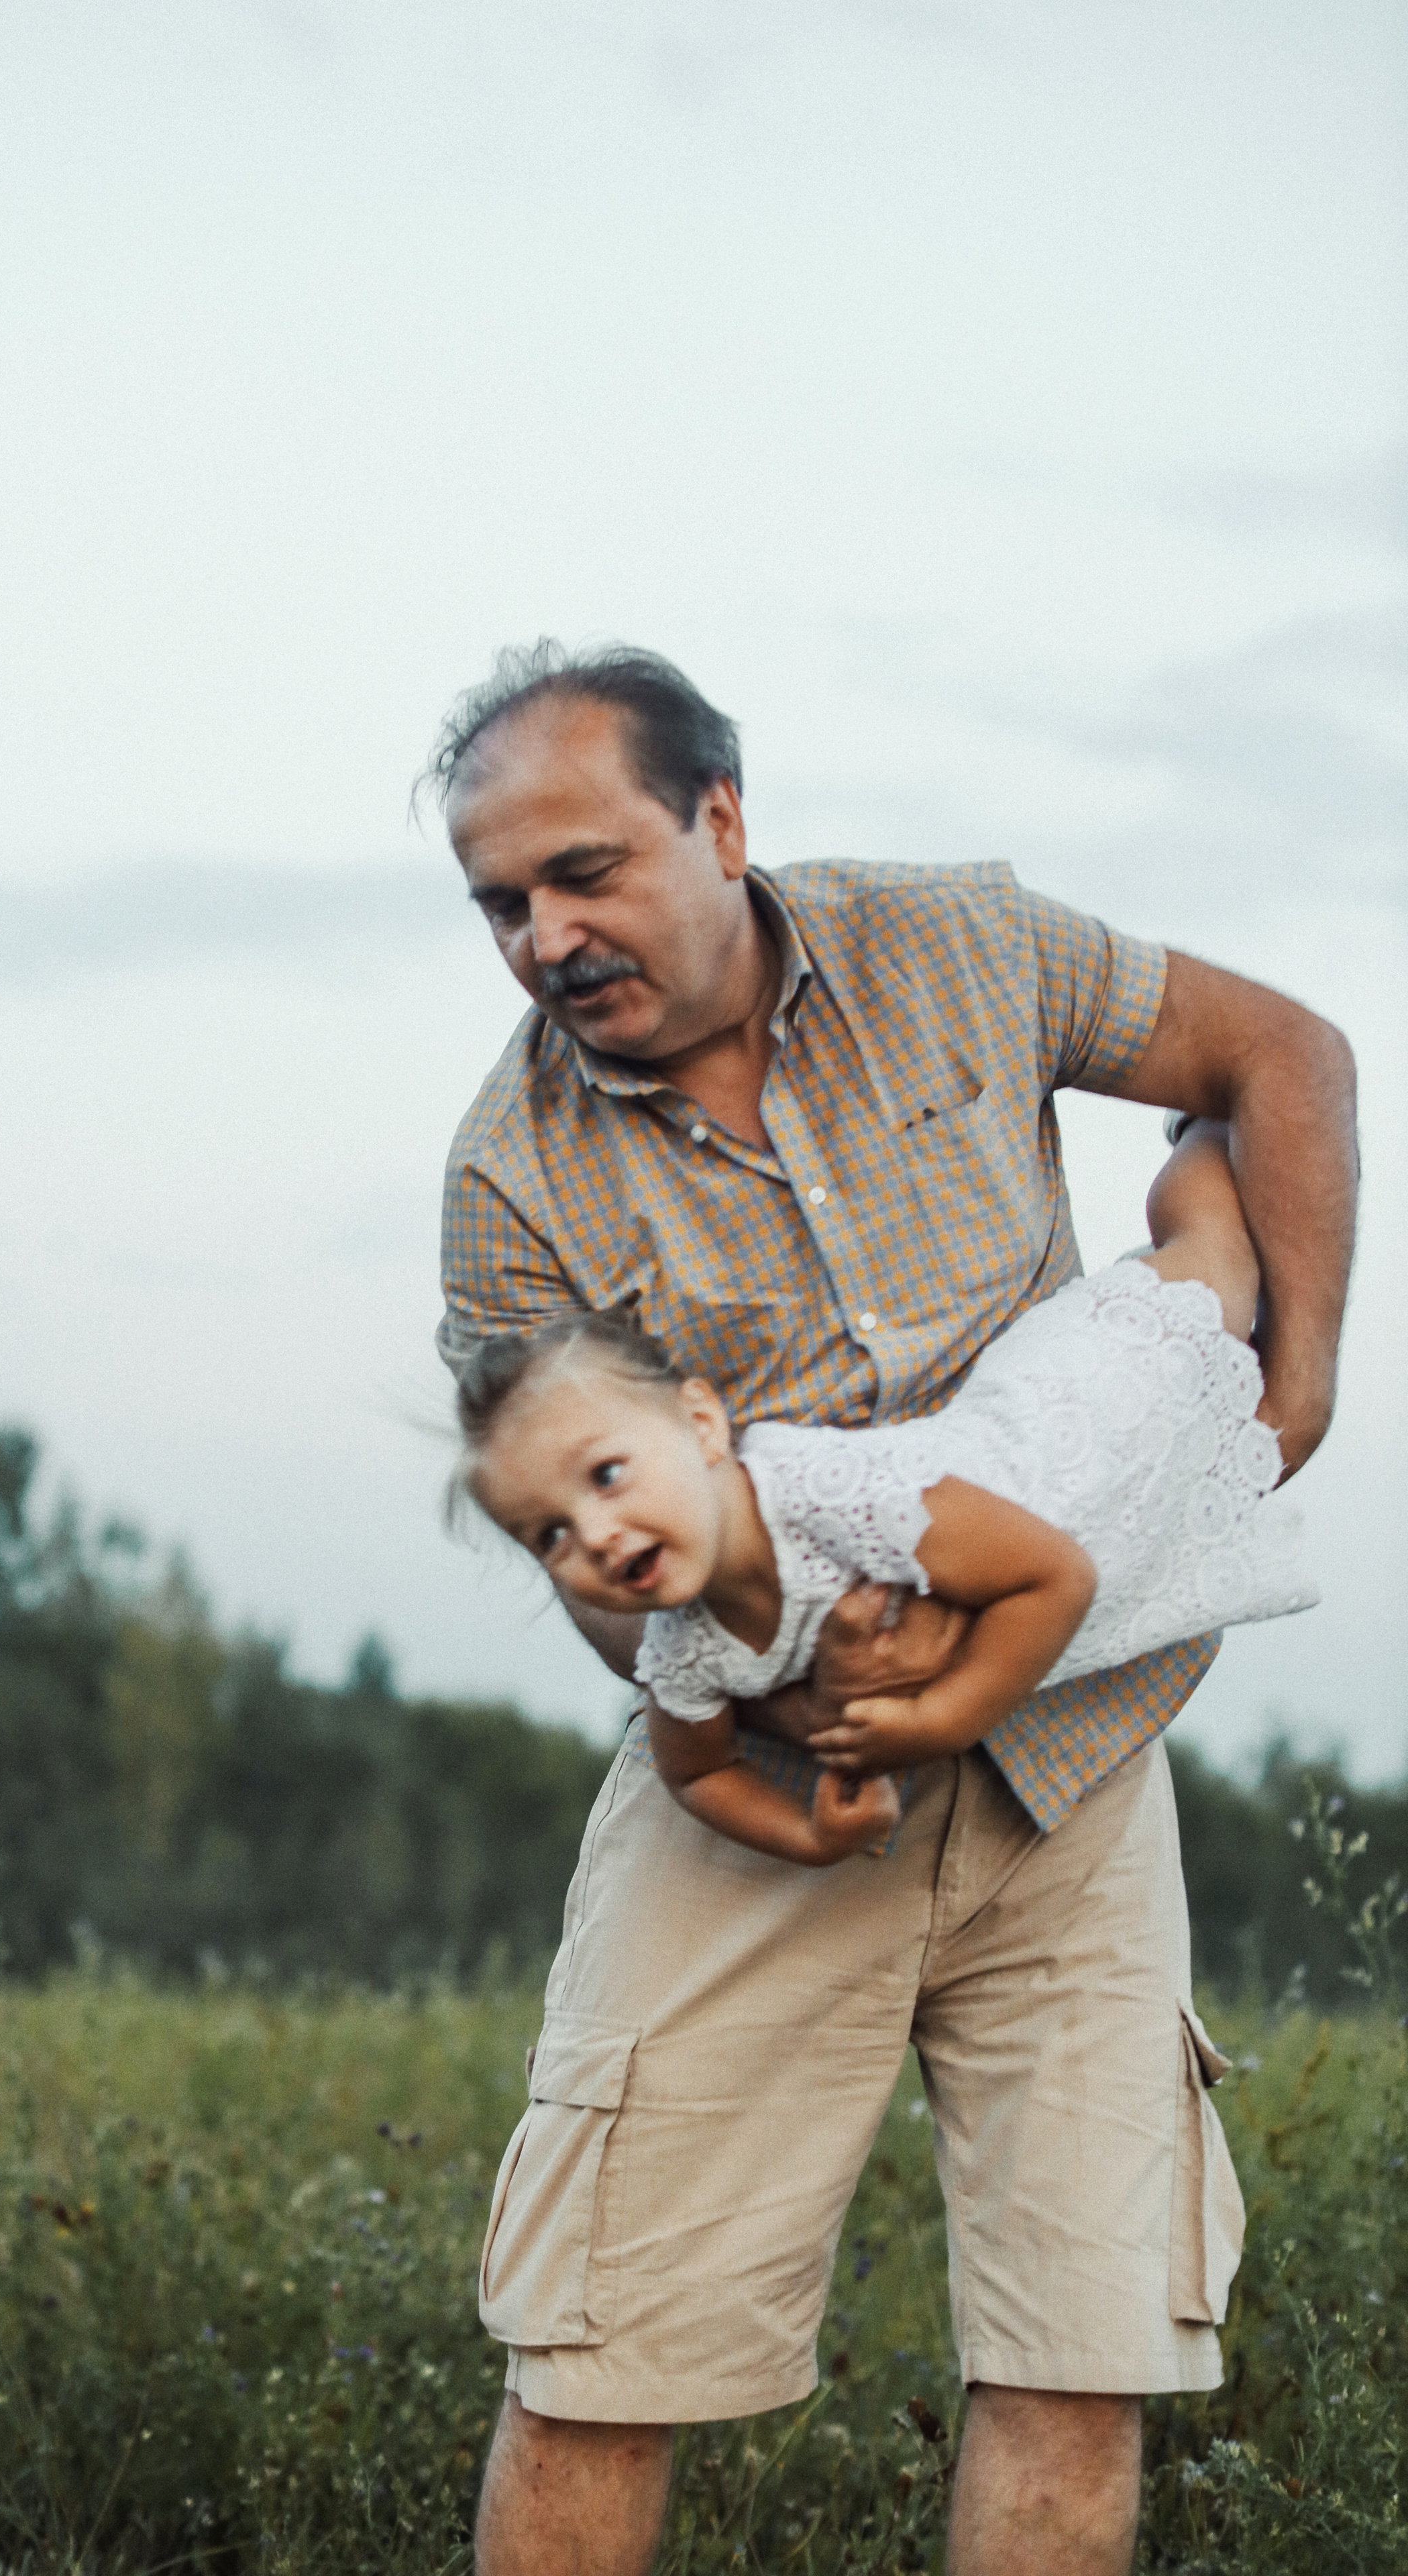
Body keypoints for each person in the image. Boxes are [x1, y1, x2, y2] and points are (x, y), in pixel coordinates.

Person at [430, 640, 1356, 2576]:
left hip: (1074, 1766)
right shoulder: (511, 1182)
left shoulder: (962, 941)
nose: (543, 936)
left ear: (724, 821)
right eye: (502, 902)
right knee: (601, 2346)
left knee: (1080, 2352)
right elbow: (591, 1562)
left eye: (585, 872)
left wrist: (1297, 1396)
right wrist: (796, 1691)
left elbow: (1284, 1060)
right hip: (765, 1782)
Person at [453, 1119, 1316, 1867]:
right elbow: (700, 1772)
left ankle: (1204, 1130)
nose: (596, 1534)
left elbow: (1055, 1578)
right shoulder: (686, 1651)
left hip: (1075, 1426)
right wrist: (807, 1835)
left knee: (1211, 1260)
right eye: (548, 1537)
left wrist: (943, 1716)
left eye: (607, 1475)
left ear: (704, 1426)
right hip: (1040, 1543)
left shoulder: (817, 1491)